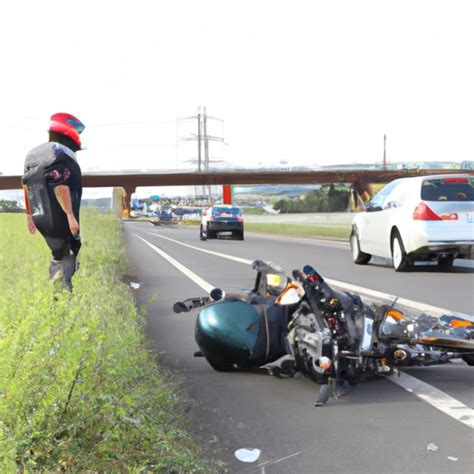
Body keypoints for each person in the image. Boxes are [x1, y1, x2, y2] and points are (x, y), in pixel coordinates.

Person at [22, 113, 85, 291]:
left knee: (57, 253)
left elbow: (26, 185)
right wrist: (71, 215)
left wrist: (29, 216)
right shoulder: (62, 153)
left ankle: (57, 285)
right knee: (72, 247)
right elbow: (61, 185)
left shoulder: (33, 154)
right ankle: (64, 287)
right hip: (60, 216)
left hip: (40, 216)